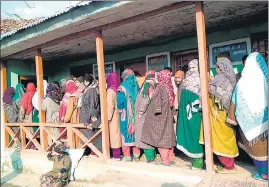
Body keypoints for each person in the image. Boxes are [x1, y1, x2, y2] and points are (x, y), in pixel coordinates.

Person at [227, 52, 268, 181]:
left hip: (250, 124)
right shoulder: (266, 79)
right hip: (265, 122)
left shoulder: (242, 83)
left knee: (257, 149)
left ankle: (263, 173)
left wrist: (231, 118)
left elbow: (234, 101)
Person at [200, 57, 238, 173]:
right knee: (227, 138)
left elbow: (216, 95)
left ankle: (229, 167)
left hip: (219, 114)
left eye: (217, 67)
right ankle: (228, 164)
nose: (216, 69)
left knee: (220, 139)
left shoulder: (220, 80)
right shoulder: (232, 79)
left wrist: (208, 82)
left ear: (220, 68)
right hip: (227, 114)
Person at [141, 70, 176, 166]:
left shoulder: (160, 88)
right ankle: (170, 159)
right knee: (168, 138)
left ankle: (165, 162)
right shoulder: (169, 87)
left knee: (161, 140)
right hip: (167, 115)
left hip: (160, 117)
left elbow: (157, 106)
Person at [176, 59, 204, 169]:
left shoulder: (197, 80)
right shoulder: (193, 80)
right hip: (192, 113)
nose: (192, 70)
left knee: (196, 137)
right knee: (195, 136)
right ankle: (197, 162)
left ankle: (198, 162)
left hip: (193, 114)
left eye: (194, 68)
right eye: (191, 68)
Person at [134, 70, 158, 163]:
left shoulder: (147, 85)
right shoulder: (155, 84)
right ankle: (152, 156)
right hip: (150, 113)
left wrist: (140, 112)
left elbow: (145, 99)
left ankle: (150, 158)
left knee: (143, 136)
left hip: (144, 115)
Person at [117, 69, 140, 161]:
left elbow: (120, 101)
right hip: (137, 114)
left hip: (126, 114)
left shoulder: (122, 87)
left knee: (125, 131)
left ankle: (127, 156)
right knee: (135, 132)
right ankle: (136, 155)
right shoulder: (137, 86)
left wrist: (119, 109)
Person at [79, 74, 102, 154]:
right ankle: (91, 152)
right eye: (84, 81)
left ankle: (95, 154)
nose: (85, 83)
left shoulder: (92, 90)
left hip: (90, 118)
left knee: (93, 138)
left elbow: (93, 105)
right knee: (89, 138)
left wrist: (92, 119)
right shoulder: (88, 90)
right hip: (87, 117)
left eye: (86, 81)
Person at [106, 72, 122, 160]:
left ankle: (116, 156)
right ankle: (122, 153)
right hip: (119, 115)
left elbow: (110, 106)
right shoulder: (118, 89)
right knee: (118, 135)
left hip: (113, 117)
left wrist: (107, 118)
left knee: (114, 136)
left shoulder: (109, 91)